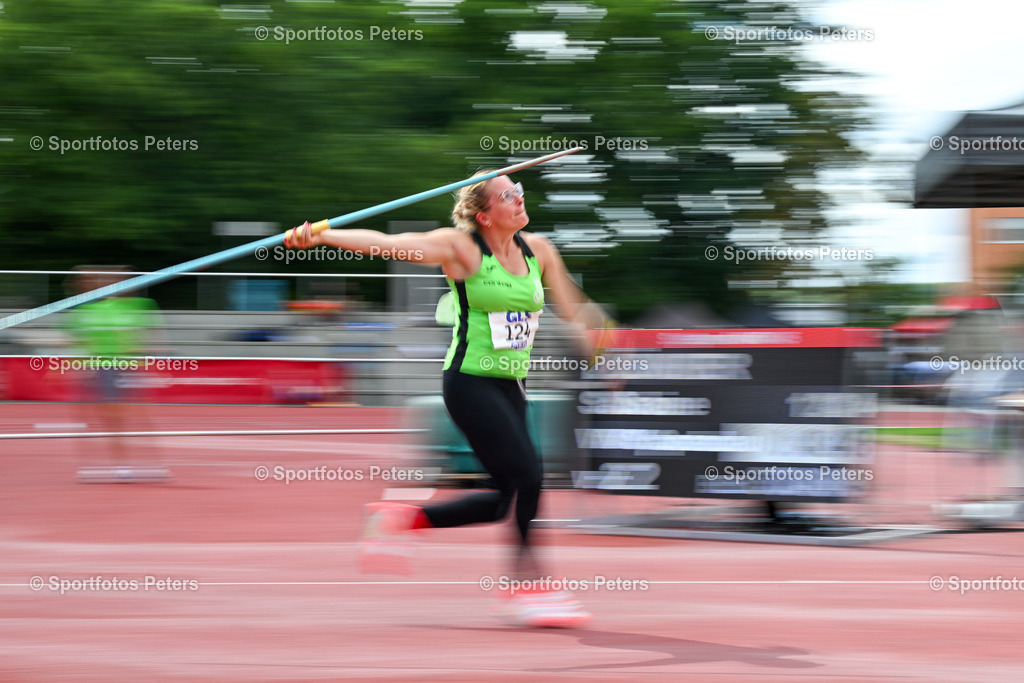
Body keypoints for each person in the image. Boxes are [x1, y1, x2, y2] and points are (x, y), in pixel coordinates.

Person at [286, 172, 610, 627]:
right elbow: (387, 243)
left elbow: (577, 310)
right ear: (485, 214)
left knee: (502, 499)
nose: (519, 199)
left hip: (511, 387)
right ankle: (526, 586)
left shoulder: (540, 251)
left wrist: (604, 343)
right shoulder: (460, 249)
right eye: (507, 195)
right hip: (469, 384)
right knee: (530, 476)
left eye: (520, 191)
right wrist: (322, 234)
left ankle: (399, 519)